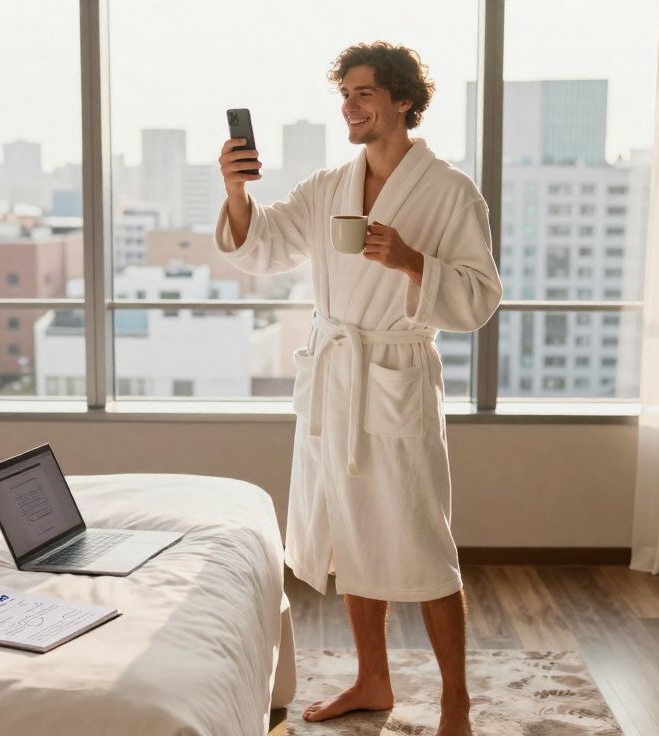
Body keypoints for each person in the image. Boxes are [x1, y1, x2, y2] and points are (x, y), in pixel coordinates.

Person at [214, 41, 501, 736]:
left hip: (395, 377)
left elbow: (481, 298)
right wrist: (236, 192)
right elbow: (267, 248)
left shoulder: (451, 191)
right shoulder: (329, 186)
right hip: (334, 381)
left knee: (424, 544)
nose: (350, 105)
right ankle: (374, 680)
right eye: (344, 94)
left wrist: (411, 262)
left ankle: (455, 701)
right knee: (350, 536)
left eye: (364, 92)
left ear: (403, 100)